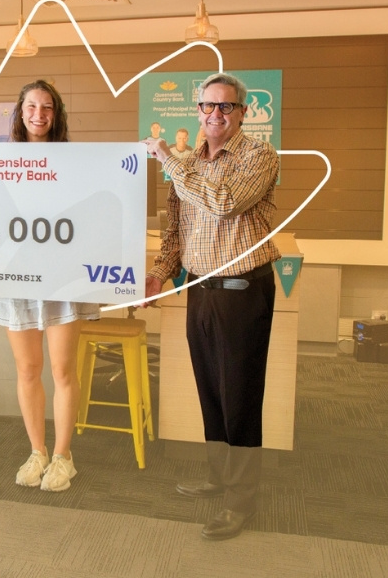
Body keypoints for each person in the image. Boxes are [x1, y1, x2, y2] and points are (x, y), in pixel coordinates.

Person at [142, 73, 280, 540]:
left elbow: (223, 203)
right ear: (197, 111)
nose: (215, 115)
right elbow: (175, 228)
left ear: (242, 113)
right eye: (208, 106)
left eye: (226, 107)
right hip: (199, 288)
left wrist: (168, 160)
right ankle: (219, 476)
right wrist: (161, 270)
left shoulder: (259, 156)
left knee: (240, 392)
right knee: (211, 388)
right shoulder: (189, 161)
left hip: (243, 289)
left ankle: (241, 501)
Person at [0, 79, 100, 492]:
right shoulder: (0, 160)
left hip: (61, 277)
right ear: (20, 112)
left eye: (47, 107)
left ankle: (63, 456)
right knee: (27, 369)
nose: (39, 114)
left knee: (61, 370)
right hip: (17, 278)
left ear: (56, 114)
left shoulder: (74, 160)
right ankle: (36, 451)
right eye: (32, 106)